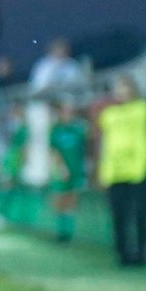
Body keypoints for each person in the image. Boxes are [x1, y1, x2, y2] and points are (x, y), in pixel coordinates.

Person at [96, 75, 146, 267]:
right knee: (118, 215)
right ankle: (122, 254)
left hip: (139, 169)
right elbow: (102, 142)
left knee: (140, 214)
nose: (123, 93)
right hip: (114, 172)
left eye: (126, 88)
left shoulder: (145, 109)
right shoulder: (109, 114)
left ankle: (141, 254)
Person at [46, 98, 91, 243]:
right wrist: (60, 167)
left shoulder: (79, 129)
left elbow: (88, 146)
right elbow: (53, 150)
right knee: (60, 199)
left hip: (77, 169)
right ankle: (61, 231)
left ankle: (68, 233)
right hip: (61, 170)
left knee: (72, 200)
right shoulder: (55, 129)